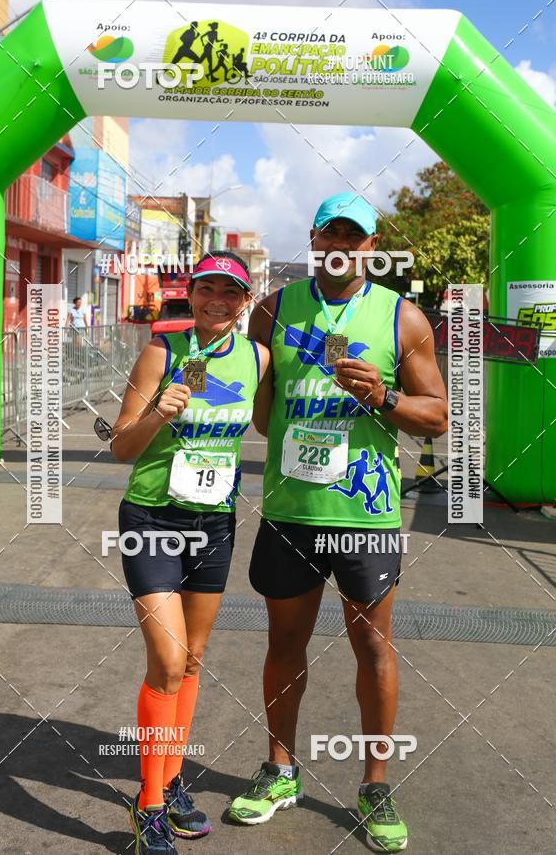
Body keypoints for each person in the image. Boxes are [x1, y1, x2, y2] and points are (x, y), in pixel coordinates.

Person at [229, 194, 448, 852]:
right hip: (293, 510)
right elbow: (263, 413)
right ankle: (280, 770)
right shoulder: (275, 308)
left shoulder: (401, 317)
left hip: (365, 513)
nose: (341, 248)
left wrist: (381, 397)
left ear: (370, 245)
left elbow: (437, 415)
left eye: (353, 238)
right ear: (315, 239)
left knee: (373, 646)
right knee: (284, 645)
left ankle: (375, 784)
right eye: (331, 236)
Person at [110, 252, 269, 854]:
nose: (216, 302)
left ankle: (170, 780)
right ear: (192, 292)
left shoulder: (257, 359)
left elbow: (277, 417)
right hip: (151, 518)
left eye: (230, 293)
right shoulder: (162, 351)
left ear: (243, 300)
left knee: (193, 660)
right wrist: (157, 411)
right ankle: (149, 806)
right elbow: (122, 447)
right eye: (207, 289)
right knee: (169, 660)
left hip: (214, 524)